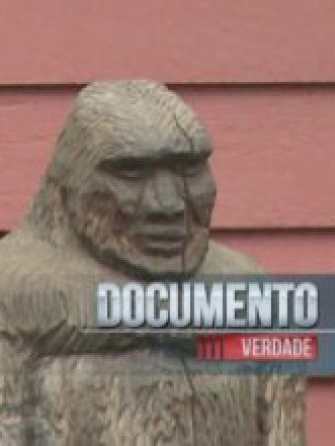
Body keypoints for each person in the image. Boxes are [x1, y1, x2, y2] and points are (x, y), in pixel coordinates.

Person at [0, 80, 304, 444]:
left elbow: (285, 430)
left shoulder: (250, 286)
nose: (168, 204)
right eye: (131, 173)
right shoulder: (13, 285)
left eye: (188, 170)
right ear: (70, 181)